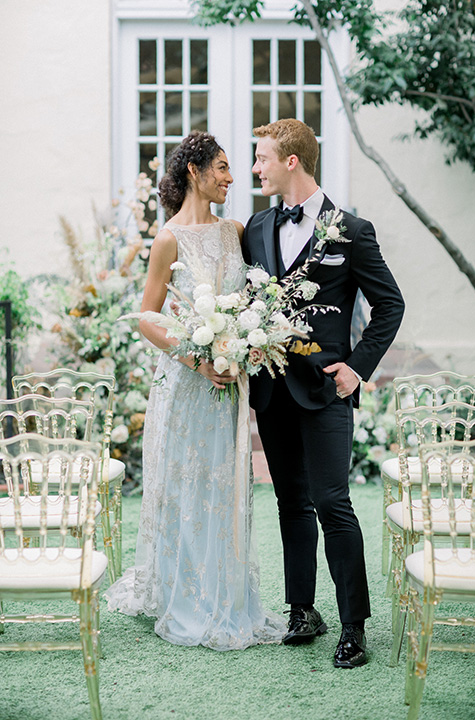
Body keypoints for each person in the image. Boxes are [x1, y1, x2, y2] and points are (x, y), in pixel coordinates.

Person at [106, 131, 286, 650]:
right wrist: (198, 359)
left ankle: (226, 596)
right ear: (195, 171)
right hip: (187, 384)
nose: (233, 178)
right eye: (224, 168)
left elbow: (255, 301)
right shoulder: (168, 240)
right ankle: (183, 594)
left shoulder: (234, 231)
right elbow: (148, 317)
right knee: (187, 486)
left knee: (223, 486)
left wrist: (247, 343)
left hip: (231, 386)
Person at [242, 119, 405, 667]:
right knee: (291, 503)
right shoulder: (255, 228)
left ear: (292, 161)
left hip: (326, 391)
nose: (255, 167)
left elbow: (390, 306)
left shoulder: (351, 230)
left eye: (261, 157)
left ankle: (353, 626)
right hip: (272, 391)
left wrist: (357, 369)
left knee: (333, 503)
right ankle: (302, 609)